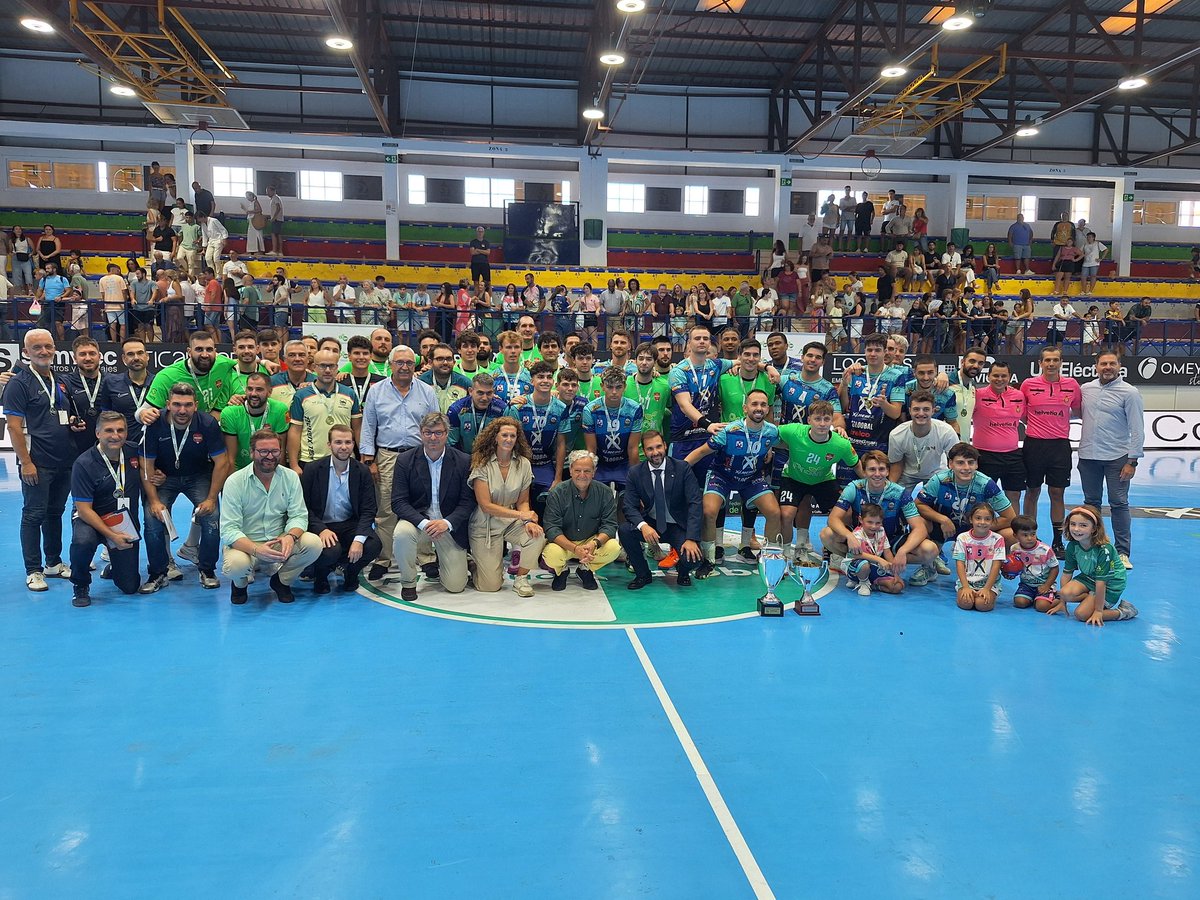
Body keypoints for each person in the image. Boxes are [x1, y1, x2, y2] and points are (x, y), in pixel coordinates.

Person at [5, 329, 85, 591]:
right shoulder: (19, 383)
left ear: (54, 349)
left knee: (55, 513)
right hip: (36, 462)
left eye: (48, 346)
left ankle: (53, 562)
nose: (44, 351)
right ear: (26, 352)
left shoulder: (59, 381)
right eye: (37, 347)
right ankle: (33, 570)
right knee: (33, 514)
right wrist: (26, 462)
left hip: (63, 459)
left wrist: (72, 423)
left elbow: (58, 414)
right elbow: (14, 427)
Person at [140, 383, 231, 593]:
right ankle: (158, 573)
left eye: (188, 405)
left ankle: (207, 569)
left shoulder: (207, 423)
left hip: (198, 476)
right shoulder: (155, 424)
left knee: (212, 516)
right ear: (168, 404)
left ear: (196, 405)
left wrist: (211, 498)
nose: (182, 410)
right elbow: (146, 465)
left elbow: (222, 462)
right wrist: (154, 501)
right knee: (152, 518)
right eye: (177, 404)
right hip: (164, 478)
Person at [359, 345, 440, 581]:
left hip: (419, 456)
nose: (404, 367)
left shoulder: (427, 391)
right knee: (385, 509)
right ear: (390, 364)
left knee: (423, 506)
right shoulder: (376, 391)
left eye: (409, 363)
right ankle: (384, 559)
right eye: (399, 362)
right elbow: (368, 426)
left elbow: (436, 424)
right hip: (387, 455)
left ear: (415, 365)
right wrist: (369, 459)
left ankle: (425, 556)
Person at [220, 428, 323, 604]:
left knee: (313, 544)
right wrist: (255, 549)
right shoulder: (235, 482)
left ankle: (282, 581)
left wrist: (290, 537)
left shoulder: (290, 477)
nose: (270, 456)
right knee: (236, 566)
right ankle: (239, 585)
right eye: (263, 451)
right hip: (247, 543)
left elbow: (299, 516)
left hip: (279, 541)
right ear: (252, 453)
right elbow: (229, 530)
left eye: (275, 451)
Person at [684, 390, 781, 574]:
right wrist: (677, 472)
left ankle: (770, 559)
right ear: (745, 408)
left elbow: (781, 443)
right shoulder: (729, 431)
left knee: (774, 513)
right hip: (722, 476)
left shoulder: (772, 432)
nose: (759, 408)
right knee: (709, 512)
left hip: (751, 477)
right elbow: (701, 452)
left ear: (768, 409)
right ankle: (708, 560)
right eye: (754, 404)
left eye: (763, 404)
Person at [820, 450, 938, 588]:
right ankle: (857, 561)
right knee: (827, 534)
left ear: (888, 471)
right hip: (861, 542)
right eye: (872, 469)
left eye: (881, 469)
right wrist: (849, 536)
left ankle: (884, 564)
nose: (877, 474)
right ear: (864, 472)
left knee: (930, 549)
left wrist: (903, 551)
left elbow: (920, 528)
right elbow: (833, 518)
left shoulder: (899, 492)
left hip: (891, 542)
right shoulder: (855, 487)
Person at [390, 412, 475, 601]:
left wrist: (447, 523)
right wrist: (424, 523)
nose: (433, 438)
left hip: (447, 525)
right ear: (421, 433)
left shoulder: (463, 461)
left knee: (455, 586)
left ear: (447, 433)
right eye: (428, 433)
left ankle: (458, 561)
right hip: (418, 521)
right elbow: (398, 501)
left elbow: (467, 502)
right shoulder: (405, 460)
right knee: (402, 534)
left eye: (438, 433)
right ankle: (408, 583)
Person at [68, 412, 145, 606]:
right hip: (90, 520)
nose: (115, 435)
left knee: (130, 587)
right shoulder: (83, 464)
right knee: (83, 541)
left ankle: (116, 565)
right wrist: (112, 536)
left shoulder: (135, 452)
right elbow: (84, 510)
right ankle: (80, 583)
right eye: (109, 430)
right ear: (98, 433)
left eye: (120, 430)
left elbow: (152, 471)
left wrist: (158, 475)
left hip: (122, 521)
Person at [913, 442, 1015, 585]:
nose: (966, 468)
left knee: (1010, 534)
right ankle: (929, 566)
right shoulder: (940, 480)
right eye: (960, 463)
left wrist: (979, 528)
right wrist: (943, 520)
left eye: (971, 462)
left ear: (977, 464)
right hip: (944, 527)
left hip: (973, 527)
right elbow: (918, 504)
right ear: (950, 464)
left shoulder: (986, 484)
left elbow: (1010, 517)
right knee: (918, 522)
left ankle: (986, 568)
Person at [1077, 349, 1143, 569]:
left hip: (1117, 458)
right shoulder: (1086, 389)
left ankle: (1122, 552)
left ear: (1119, 366)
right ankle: (1092, 547)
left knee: (1119, 503)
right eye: (1103, 364)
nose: (1107, 367)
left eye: (1112, 364)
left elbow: (1137, 428)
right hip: (1088, 457)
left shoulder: (1129, 392)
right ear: (1096, 366)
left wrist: (1132, 461)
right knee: (1091, 504)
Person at [467, 417, 546, 598]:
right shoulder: (481, 463)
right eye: (504, 435)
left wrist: (527, 522)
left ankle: (521, 579)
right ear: (495, 437)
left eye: (513, 436)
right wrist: (521, 515)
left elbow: (523, 501)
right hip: (484, 525)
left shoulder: (524, 464)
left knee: (537, 535)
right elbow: (486, 506)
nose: (509, 439)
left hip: (511, 522)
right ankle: (472, 563)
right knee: (490, 586)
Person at [300, 425, 381, 594]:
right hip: (322, 525)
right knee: (330, 551)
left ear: (353, 445)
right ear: (329, 444)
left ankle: (351, 572)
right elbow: (303, 507)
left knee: (373, 545)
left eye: (348, 442)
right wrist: (320, 529)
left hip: (349, 524)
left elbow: (369, 509)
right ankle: (321, 575)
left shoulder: (362, 471)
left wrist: (359, 539)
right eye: (338, 442)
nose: (344, 447)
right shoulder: (312, 469)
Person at [775, 401, 859, 565]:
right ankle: (785, 554)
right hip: (793, 477)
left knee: (845, 513)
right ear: (809, 420)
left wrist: (871, 485)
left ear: (831, 421)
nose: (822, 423)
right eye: (817, 419)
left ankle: (832, 549)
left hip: (823, 479)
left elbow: (857, 465)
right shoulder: (794, 431)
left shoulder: (841, 443)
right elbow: (769, 431)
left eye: (826, 419)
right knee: (786, 514)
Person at [620, 430, 703, 590]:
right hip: (651, 524)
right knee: (625, 531)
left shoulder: (682, 468)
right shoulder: (635, 473)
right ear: (644, 451)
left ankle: (683, 571)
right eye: (650, 449)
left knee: (693, 558)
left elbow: (695, 503)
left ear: (665, 445)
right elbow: (629, 506)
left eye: (658, 446)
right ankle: (643, 574)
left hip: (677, 525)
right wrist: (643, 526)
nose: (655, 452)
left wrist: (691, 538)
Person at [1020, 346, 1081, 555]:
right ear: (1040, 363)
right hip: (1034, 445)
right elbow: (1022, 414)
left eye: (1055, 360)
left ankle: (1057, 541)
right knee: (1032, 491)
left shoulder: (1072, 385)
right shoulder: (1028, 385)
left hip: (1060, 446)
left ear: (1061, 362)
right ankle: (1030, 538)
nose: (1051, 364)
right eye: (1047, 360)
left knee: (1057, 493)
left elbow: (1077, 410)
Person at [542, 451, 621, 590]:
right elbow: (552, 529)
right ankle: (562, 571)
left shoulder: (605, 492)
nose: (582, 475)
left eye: (587, 471)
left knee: (614, 548)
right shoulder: (557, 492)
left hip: (590, 542)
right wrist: (575, 549)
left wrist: (594, 543)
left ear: (594, 472)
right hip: (564, 543)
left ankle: (585, 569)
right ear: (570, 470)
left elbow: (610, 525)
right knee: (551, 555)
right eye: (578, 470)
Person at [1055, 505, 1138, 624]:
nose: (1076, 529)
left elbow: (1101, 583)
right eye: (1073, 524)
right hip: (1089, 577)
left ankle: (1124, 611)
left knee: (1082, 614)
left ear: (1094, 528)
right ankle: (1091, 599)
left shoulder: (1104, 550)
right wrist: (1062, 602)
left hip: (1110, 584)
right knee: (1064, 593)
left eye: (1083, 525)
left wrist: (1098, 611)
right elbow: (1067, 573)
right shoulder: (1073, 546)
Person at [506, 360, 571, 514]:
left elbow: (561, 444)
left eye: (549, 377)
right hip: (519, 463)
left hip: (544, 464)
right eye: (540, 377)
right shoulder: (519, 407)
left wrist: (558, 478)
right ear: (532, 381)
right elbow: (509, 443)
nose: (545, 380)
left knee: (548, 503)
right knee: (517, 503)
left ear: (553, 381)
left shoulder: (561, 408)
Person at [288, 350, 362, 473]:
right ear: (314, 367)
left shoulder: (349, 393)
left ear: (337, 368)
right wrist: (294, 464)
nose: (327, 370)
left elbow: (358, 428)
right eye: (322, 366)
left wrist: (363, 456)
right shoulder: (301, 395)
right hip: (310, 461)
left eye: (331, 366)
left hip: (344, 459)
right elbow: (295, 431)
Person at [971, 360, 1026, 508]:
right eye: (996, 375)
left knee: (1014, 495)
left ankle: (1013, 524)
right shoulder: (977, 395)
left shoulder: (1019, 396)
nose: (999, 379)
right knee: (982, 498)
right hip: (984, 456)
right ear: (988, 376)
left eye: (1003, 376)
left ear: (1010, 377)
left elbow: (1026, 417)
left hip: (1013, 455)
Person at [582, 367, 642, 490]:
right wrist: (590, 475)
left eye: (618, 387)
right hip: (600, 464)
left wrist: (637, 479)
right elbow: (591, 449)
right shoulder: (590, 410)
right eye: (609, 387)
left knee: (632, 494)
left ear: (625, 387)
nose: (614, 392)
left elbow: (633, 448)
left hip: (624, 463)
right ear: (602, 386)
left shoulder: (634, 409)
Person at [888, 390, 960, 489]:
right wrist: (889, 489)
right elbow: (896, 465)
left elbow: (957, 461)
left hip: (938, 475)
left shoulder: (946, 431)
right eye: (916, 409)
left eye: (926, 409)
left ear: (933, 411)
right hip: (908, 477)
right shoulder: (897, 434)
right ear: (910, 411)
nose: (921, 413)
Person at [221, 372, 289, 470]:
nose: (253, 394)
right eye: (250, 389)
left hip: (269, 467)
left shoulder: (280, 410)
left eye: (259, 389)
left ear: (269, 392)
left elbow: (280, 453)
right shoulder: (230, 413)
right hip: (240, 470)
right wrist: (234, 479)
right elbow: (230, 459)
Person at [99, 337, 155, 448]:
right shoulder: (110, 382)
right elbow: (105, 416)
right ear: (124, 358)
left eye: (140, 353)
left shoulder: (159, 382)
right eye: (130, 354)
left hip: (154, 446)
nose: (136, 358)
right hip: (122, 446)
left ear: (147, 356)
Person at [952, 502, 1007, 612]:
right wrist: (965, 587)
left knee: (982, 605)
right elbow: (960, 564)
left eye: (987, 519)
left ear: (992, 521)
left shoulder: (998, 539)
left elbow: (996, 566)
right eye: (978, 518)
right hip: (967, 582)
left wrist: (987, 588)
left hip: (989, 584)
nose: (982, 522)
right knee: (966, 603)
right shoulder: (962, 538)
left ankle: (990, 593)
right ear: (971, 519)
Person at [844, 504, 905, 596]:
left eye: (878, 523)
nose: (873, 526)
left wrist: (895, 572)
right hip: (856, 567)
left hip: (874, 567)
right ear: (860, 520)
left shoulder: (881, 531)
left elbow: (887, 551)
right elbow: (856, 555)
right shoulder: (857, 534)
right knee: (864, 564)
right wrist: (879, 559)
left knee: (897, 586)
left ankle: (873, 586)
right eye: (870, 522)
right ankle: (863, 582)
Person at [1005, 514, 1061, 612]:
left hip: (1044, 583)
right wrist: (1009, 573)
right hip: (1026, 585)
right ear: (1015, 535)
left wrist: (1047, 585)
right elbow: (1015, 565)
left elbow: (1055, 568)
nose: (1030, 538)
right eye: (1025, 535)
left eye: (1033, 534)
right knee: (1020, 602)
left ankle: (1059, 599)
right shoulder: (1014, 548)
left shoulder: (1045, 550)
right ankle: (1036, 598)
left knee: (1041, 607)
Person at [448, 372, 508, 454]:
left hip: (493, 457)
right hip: (464, 457)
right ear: (470, 391)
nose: (485, 398)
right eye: (480, 393)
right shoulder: (456, 410)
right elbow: (451, 444)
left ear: (493, 392)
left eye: (489, 393)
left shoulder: (502, 410)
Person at [419, 342, 471, 413]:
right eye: (440, 359)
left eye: (449, 359)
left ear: (454, 362)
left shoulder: (465, 383)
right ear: (430, 362)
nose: (445, 363)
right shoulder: (421, 383)